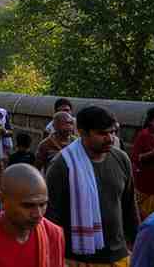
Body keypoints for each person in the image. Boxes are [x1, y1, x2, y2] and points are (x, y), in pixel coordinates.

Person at [46, 105, 139, 267]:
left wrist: (137, 244)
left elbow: (129, 206)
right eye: (102, 133)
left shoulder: (121, 159)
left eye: (113, 132)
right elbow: (51, 216)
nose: (110, 138)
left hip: (118, 255)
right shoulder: (62, 165)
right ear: (82, 132)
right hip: (77, 259)